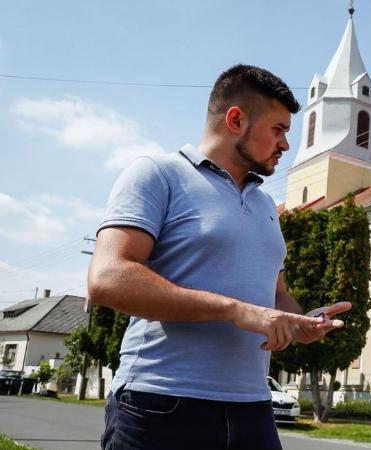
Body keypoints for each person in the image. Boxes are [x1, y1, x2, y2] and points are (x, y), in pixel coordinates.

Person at [88, 64, 351, 450]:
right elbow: (106, 279)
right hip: (161, 402)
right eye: (278, 130)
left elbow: (275, 294)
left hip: (252, 410)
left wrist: (299, 323)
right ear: (236, 119)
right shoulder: (158, 174)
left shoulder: (266, 206)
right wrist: (233, 309)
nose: (285, 145)